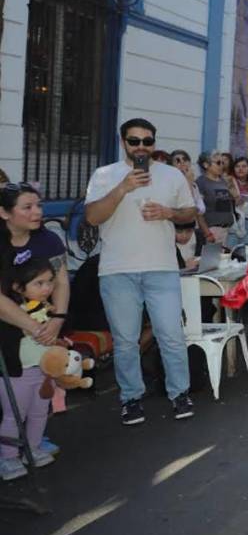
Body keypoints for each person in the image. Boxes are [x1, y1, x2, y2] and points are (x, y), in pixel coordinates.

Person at [85, 118, 198, 424]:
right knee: (125, 340)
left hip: (161, 269)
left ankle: (180, 393)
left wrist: (169, 213)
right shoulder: (105, 175)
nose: (141, 147)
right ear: (123, 142)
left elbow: (190, 212)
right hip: (117, 270)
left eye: (147, 141)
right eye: (134, 141)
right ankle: (131, 398)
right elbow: (93, 217)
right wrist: (123, 188)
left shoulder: (171, 175)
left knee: (171, 334)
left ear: (154, 144)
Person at [0, 183, 70, 466]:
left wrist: (57, 319)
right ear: (4, 213)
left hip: (42, 322)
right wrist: (35, 327)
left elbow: (62, 281)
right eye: (27, 207)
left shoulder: (48, 240)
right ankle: (8, 454)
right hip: (10, 325)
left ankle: (31, 441)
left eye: (38, 205)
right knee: (13, 395)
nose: (37, 212)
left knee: (40, 390)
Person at [0, 258, 59, 479]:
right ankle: (8, 457)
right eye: (39, 283)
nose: (47, 288)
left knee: (39, 412)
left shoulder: (49, 310)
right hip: (19, 374)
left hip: (44, 372)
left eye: (50, 282)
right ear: (17, 287)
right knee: (13, 415)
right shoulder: (11, 314)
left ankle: (32, 448)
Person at [196, 151, 236, 247]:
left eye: (223, 163)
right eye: (218, 163)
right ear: (206, 165)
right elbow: (198, 211)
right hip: (212, 230)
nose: (221, 166)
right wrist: (207, 233)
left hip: (227, 229)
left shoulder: (223, 180)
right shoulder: (201, 182)